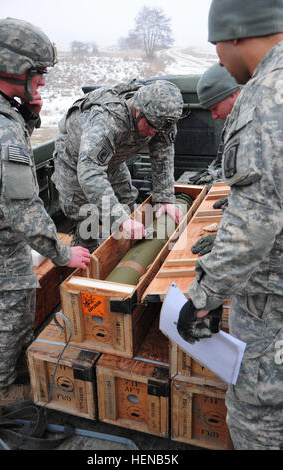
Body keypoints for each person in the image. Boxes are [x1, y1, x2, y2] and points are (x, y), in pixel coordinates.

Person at [177, 0, 283, 450]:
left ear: (237, 33)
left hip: (271, 298)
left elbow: (257, 219)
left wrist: (203, 296)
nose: (219, 58)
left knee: (256, 415)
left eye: (217, 44)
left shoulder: (266, 95)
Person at [0, 18, 91, 414]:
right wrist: (61, 254)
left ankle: (6, 369)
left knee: (10, 306)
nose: (43, 81)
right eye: (38, 72)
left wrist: (28, 114)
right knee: (12, 309)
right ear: (13, 68)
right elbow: (23, 207)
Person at [52, 79, 184, 252]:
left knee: (127, 200)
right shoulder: (108, 120)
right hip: (75, 160)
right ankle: (83, 264)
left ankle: (122, 253)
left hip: (112, 157)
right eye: (151, 126)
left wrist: (164, 199)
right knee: (87, 217)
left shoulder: (160, 120)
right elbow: (90, 170)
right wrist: (120, 219)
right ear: (138, 111)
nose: (153, 133)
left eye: (159, 129)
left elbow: (163, 158)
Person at [188, 63, 240, 186]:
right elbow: (221, 161)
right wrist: (212, 173)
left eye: (215, 108)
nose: (214, 116)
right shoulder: (231, 119)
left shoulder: (262, 117)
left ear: (233, 95)